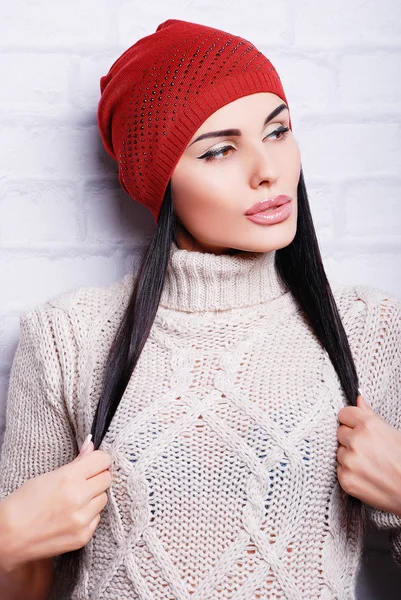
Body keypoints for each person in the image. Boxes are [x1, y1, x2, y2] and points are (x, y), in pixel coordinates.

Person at [0, 17, 400, 600]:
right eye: (217, 151)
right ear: (159, 182)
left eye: (278, 131)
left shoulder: (369, 331)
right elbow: (27, 584)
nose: (267, 170)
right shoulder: (67, 337)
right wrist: (8, 535)